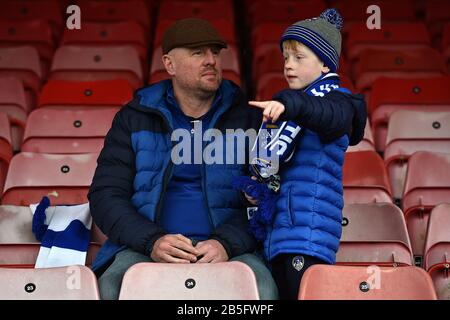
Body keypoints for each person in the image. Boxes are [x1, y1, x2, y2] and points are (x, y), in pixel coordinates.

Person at [88, 18, 278, 300]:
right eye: (198, 53)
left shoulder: (249, 119)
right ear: (169, 64)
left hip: (231, 251)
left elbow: (269, 197)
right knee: (112, 288)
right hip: (145, 249)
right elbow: (106, 195)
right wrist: (152, 241)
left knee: (263, 289)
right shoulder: (135, 117)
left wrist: (226, 243)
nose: (211, 60)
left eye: (215, 52)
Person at [242, 9, 368, 300]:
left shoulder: (340, 103)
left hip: (310, 235)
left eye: (299, 58)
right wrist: (255, 188)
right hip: (280, 235)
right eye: (286, 58)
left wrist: (289, 103)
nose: (288, 66)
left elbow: (328, 117)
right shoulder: (290, 111)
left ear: (325, 64)